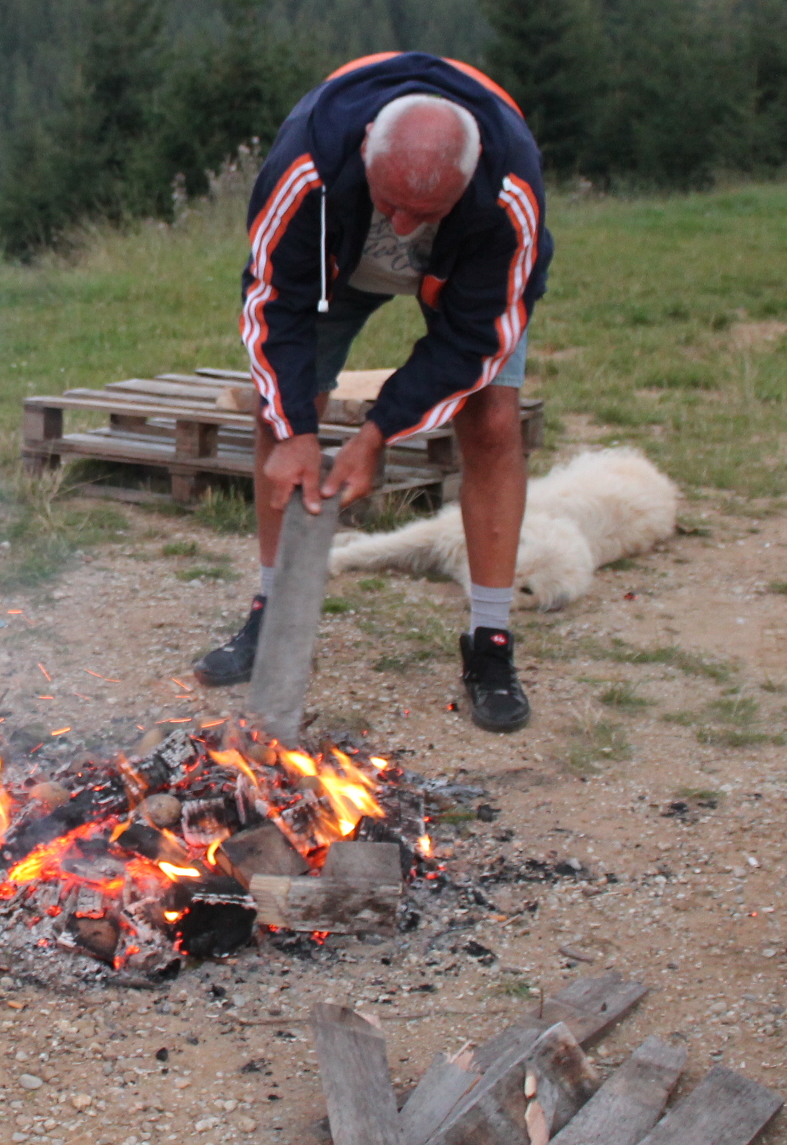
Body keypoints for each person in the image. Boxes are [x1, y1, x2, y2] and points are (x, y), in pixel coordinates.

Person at [192, 52, 551, 732]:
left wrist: (376, 433)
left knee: (496, 420)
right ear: (364, 155)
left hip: (466, 268)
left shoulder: (508, 194)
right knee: (282, 416)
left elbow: (475, 339)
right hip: (338, 256)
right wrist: (298, 430)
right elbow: (276, 305)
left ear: (467, 181)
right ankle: (272, 611)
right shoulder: (309, 166)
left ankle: (490, 641)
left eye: (428, 213)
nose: (409, 229)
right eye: (395, 206)